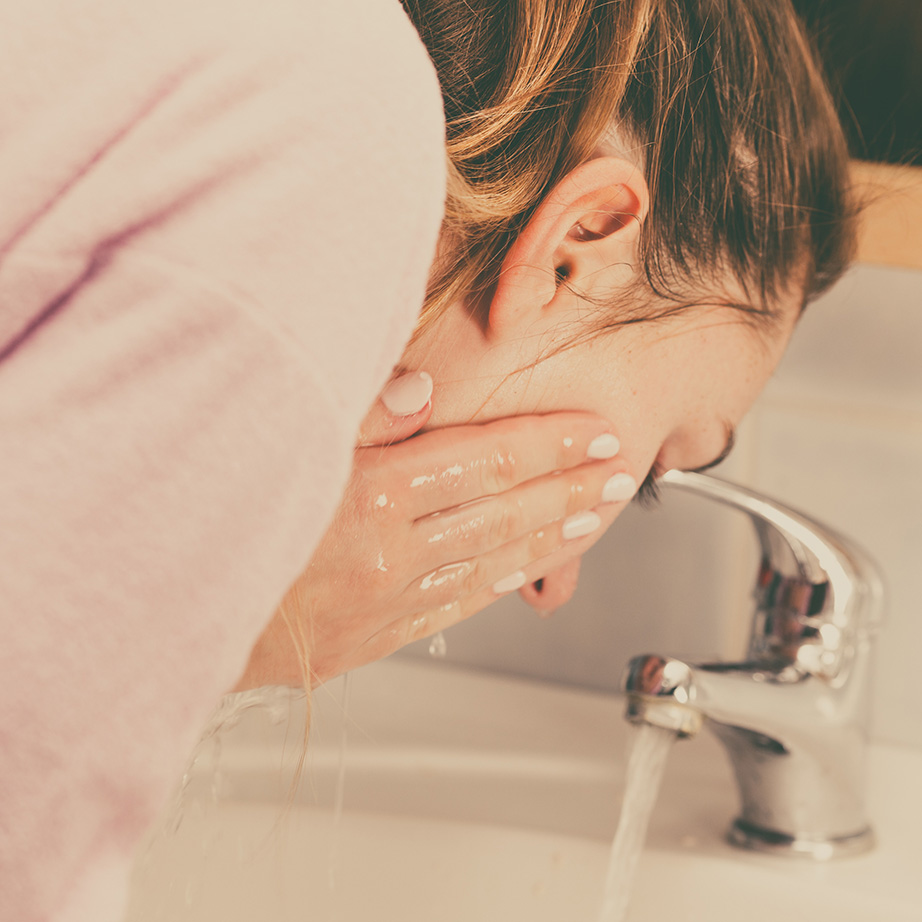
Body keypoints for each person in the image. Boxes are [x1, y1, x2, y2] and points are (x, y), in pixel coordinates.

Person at [0, 1, 854, 921]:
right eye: (647, 471)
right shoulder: (327, 133)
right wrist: (217, 620)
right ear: (579, 246)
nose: (551, 581)